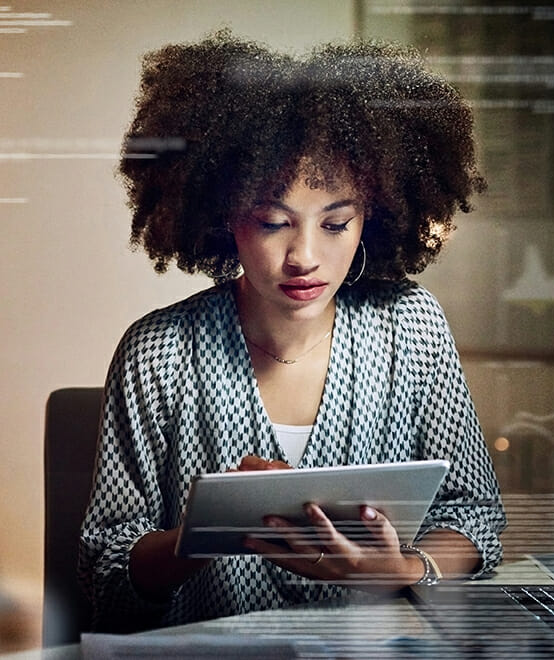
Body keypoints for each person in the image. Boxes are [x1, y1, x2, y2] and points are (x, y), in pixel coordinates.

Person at [78, 30, 506, 633]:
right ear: (225, 218)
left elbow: (474, 516)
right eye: (274, 221)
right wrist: (205, 531)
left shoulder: (412, 327)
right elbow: (107, 575)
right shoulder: (158, 352)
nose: (304, 256)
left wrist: (406, 569)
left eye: (336, 223)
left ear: (372, 219)